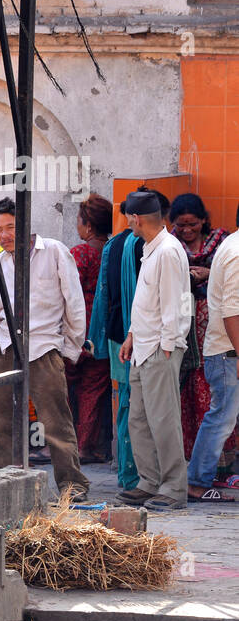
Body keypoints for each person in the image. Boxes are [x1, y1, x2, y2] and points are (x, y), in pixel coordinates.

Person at [0, 198, 90, 498]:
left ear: (26, 224)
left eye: (10, 227)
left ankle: (72, 485)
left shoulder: (54, 251)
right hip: (4, 347)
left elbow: (74, 302)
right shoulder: (1, 261)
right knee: (4, 424)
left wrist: (70, 348)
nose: (3, 235)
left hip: (43, 347)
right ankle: (6, 484)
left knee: (55, 422)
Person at [117, 188, 193, 511]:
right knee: (139, 419)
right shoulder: (150, 248)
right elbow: (148, 302)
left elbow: (175, 305)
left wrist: (167, 346)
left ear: (136, 218)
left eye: (129, 219)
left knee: (163, 419)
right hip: (142, 347)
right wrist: (132, 334)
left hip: (160, 349)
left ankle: (174, 487)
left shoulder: (168, 251)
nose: (128, 224)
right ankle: (150, 481)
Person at [88, 198, 147, 491]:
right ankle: (131, 475)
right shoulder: (141, 245)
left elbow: (102, 294)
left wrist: (96, 340)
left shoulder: (114, 246)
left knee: (125, 400)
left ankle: (129, 473)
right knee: (132, 402)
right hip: (131, 335)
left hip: (116, 334)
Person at [170, 193, 232, 462]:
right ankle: (191, 459)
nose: (186, 230)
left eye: (192, 224)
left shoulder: (222, 244)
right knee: (187, 394)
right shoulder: (170, 247)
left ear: (204, 220)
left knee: (218, 397)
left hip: (216, 333)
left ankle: (219, 463)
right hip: (185, 330)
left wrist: (210, 274)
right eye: (181, 225)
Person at [186, 203, 239, 502]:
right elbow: (232, 310)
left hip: (227, 350)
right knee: (221, 418)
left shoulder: (231, 244)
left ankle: (201, 478)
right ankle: (196, 482)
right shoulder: (237, 252)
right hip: (227, 352)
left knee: (223, 417)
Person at [67, 193, 113, 463]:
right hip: (103, 333)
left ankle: (63, 445)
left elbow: (66, 292)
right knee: (92, 392)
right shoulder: (114, 250)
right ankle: (87, 447)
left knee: (62, 390)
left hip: (76, 332)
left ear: (88, 225)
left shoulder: (80, 253)